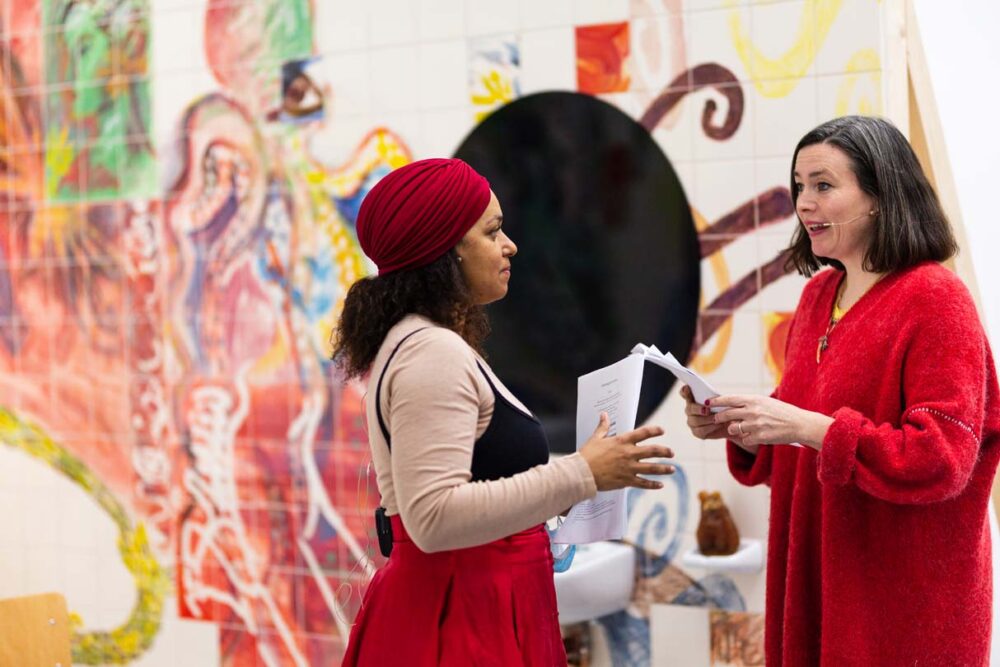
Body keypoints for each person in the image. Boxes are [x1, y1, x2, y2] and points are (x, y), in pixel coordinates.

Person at [682, 115, 1000, 666]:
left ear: (880, 196)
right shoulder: (818, 297)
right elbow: (805, 439)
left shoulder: (936, 300)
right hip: (817, 579)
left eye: (824, 185)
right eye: (799, 186)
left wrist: (809, 427)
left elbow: (943, 457)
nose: (804, 203)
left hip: (901, 605)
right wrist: (744, 428)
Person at [333, 158, 676, 666]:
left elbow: (476, 490)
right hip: (457, 620)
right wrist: (581, 473)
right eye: (492, 231)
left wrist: (568, 491)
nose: (510, 245)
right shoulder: (430, 353)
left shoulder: (429, 344)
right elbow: (433, 517)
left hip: (475, 603)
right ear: (446, 249)